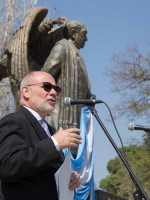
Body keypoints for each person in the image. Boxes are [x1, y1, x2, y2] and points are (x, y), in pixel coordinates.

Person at [0, 71, 82, 200]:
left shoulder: (50, 129)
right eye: (47, 86)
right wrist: (54, 143)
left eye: (56, 89)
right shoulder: (14, 121)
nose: (54, 92)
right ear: (26, 91)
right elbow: (7, 165)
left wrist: (69, 179)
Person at [42, 20, 92, 156]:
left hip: (77, 117)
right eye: (84, 34)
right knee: (62, 162)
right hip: (62, 117)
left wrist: (88, 95)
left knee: (74, 164)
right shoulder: (62, 47)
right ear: (74, 33)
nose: (86, 39)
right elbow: (44, 76)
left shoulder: (76, 52)